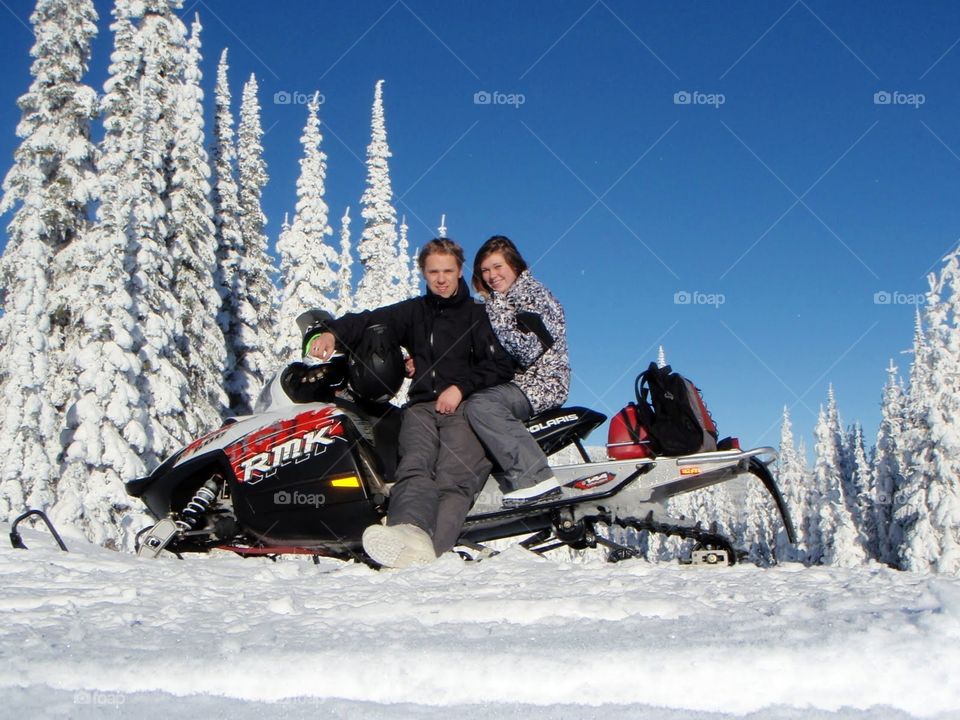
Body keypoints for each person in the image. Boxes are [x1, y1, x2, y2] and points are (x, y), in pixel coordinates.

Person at [304, 238, 515, 567]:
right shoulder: (414, 313)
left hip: (465, 408)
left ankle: (430, 552)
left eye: (448, 271)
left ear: (460, 272)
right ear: (423, 273)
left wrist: (460, 388)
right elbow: (368, 321)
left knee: (453, 480)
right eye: (433, 272)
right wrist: (331, 334)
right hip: (421, 409)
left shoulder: (478, 316)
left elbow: (500, 365)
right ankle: (407, 533)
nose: (441, 279)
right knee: (414, 469)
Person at [465, 235, 570, 505]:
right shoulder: (506, 298)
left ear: (514, 265)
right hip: (520, 382)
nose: (491, 275)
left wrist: (495, 306)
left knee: (482, 406)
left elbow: (528, 348)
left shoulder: (533, 295)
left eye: (497, 266)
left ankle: (535, 478)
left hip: (544, 382)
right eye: (485, 270)